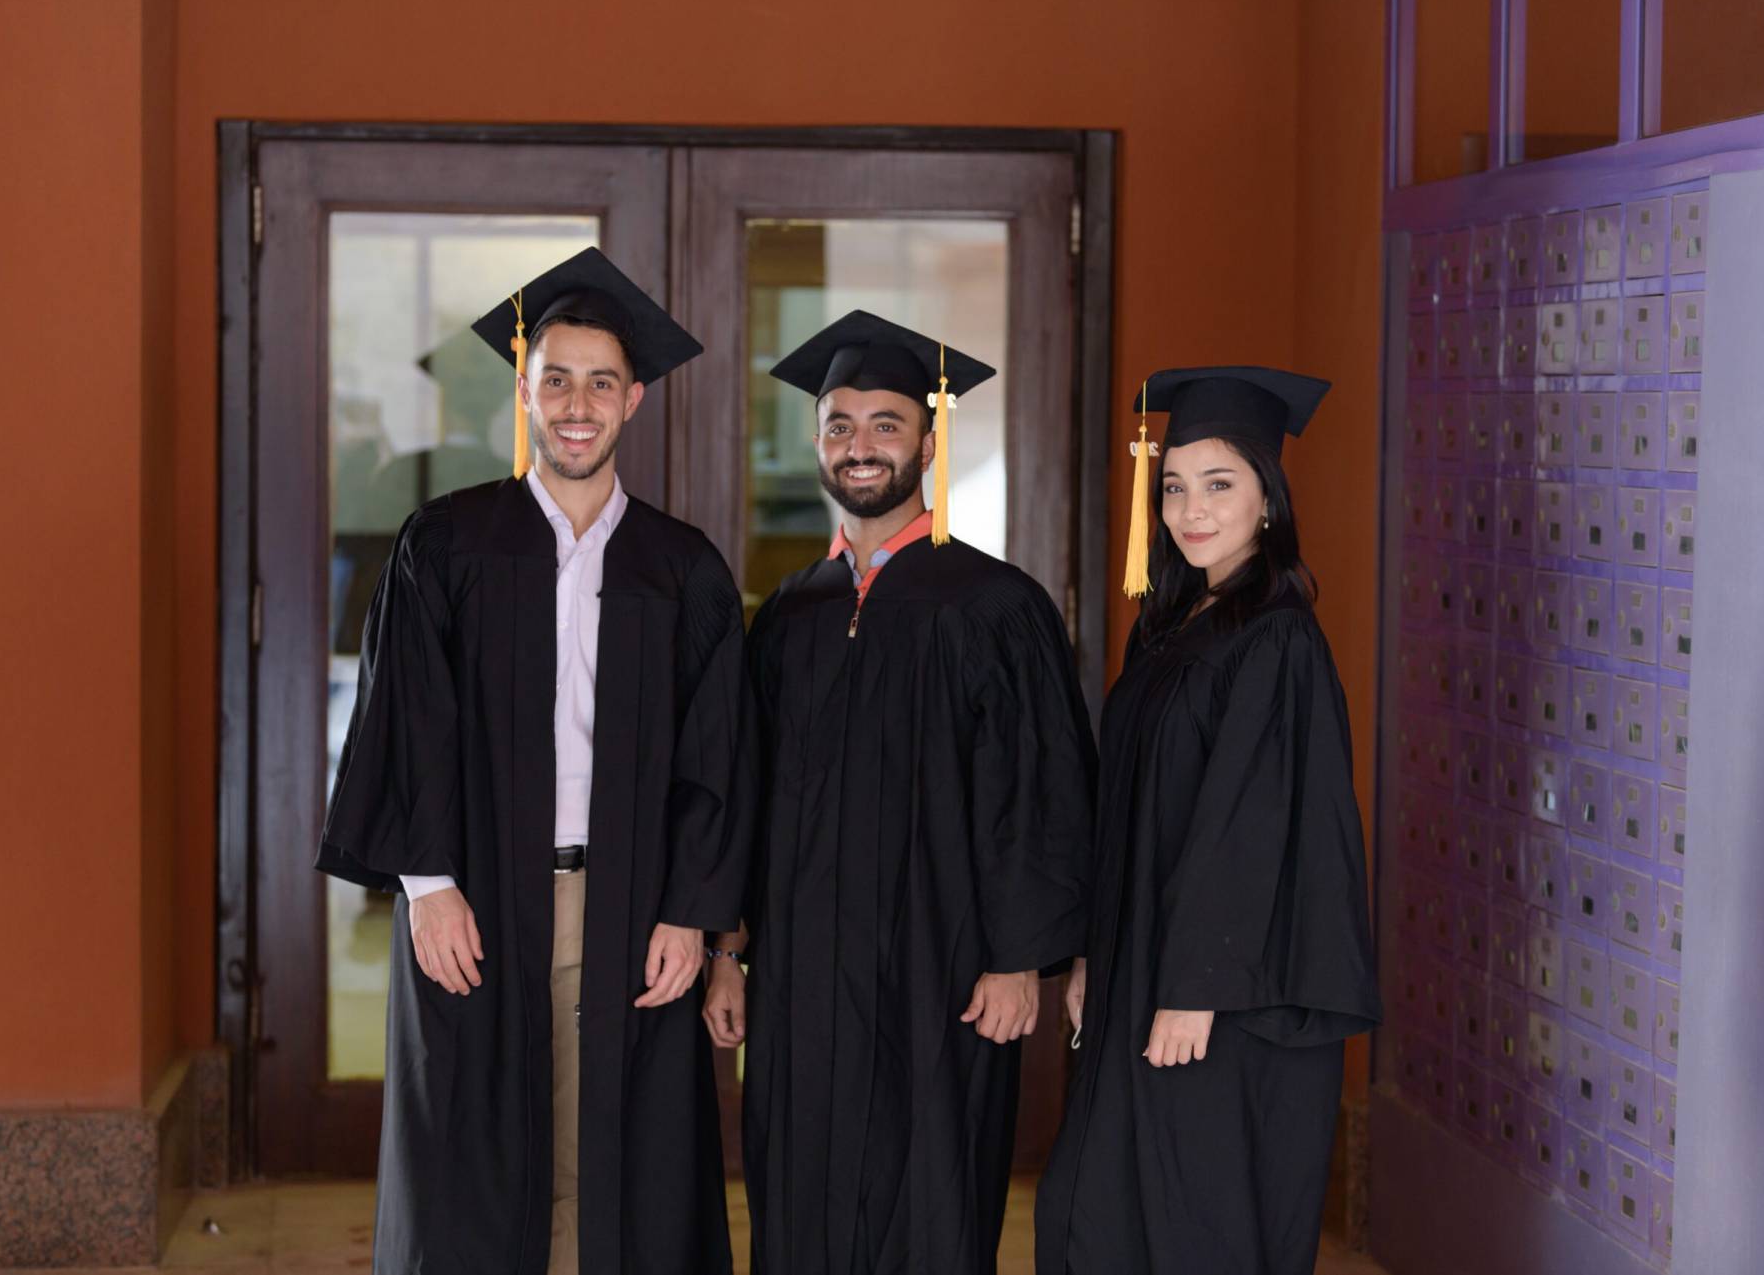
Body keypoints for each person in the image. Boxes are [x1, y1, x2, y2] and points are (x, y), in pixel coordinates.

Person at [317, 247, 752, 1275]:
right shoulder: (447, 545)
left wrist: (692, 913)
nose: (576, 403)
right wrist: (427, 888)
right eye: (555, 378)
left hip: (633, 902)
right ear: (524, 390)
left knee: (617, 1162)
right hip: (477, 901)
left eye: (601, 382)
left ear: (633, 399)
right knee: (469, 1162)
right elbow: (405, 720)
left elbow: (717, 754)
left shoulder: (680, 568)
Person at [702, 310, 1097, 1274]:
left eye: (885, 423)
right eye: (840, 424)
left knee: (930, 1192)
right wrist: (726, 946)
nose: (861, 445)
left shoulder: (995, 606)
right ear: (817, 442)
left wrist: (1017, 959)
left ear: (928, 437)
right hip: (800, 976)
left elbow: (1039, 793)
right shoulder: (789, 614)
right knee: (796, 1190)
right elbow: (744, 791)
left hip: (944, 970)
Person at [1034, 367, 1382, 1275]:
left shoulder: (1275, 638)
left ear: (1268, 495)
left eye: (1218, 484)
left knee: (1193, 1214)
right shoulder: (1175, 622)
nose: (1191, 508)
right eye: (1175, 485)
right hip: (1146, 965)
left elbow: (1253, 824)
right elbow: (1132, 813)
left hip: (1218, 994)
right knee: (1106, 1200)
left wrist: (1196, 984)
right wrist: (1090, 956)